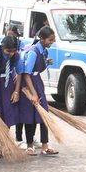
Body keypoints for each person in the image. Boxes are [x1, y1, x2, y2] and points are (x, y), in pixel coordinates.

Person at [18, 27, 59, 156]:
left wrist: (46, 64)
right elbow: (26, 74)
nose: (51, 43)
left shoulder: (43, 51)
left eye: (53, 40)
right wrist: (33, 93)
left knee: (43, 114)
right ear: (41, 39)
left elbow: (37, 70)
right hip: (29, 85)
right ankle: (30, 145)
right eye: (49, 40)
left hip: (37, 82)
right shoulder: (33, 52)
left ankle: (45, 145)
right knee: (30, 115)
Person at [0, 35, 24, 159]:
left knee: (8, 115)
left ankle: (6, 144)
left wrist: (16, 92)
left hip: (9, 87)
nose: (11, 54)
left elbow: (20, 73)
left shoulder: (16, 56)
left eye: (14, 51)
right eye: (8, 51)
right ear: (2, 48)